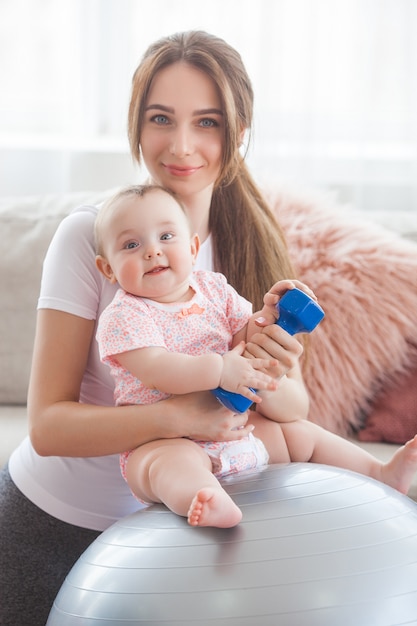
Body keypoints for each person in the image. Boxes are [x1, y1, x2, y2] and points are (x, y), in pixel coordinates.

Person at [0, 29, 415, 624]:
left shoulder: (245, 242)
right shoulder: (94, 240)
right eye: (161, 118)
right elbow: (48, 427)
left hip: (182, 539)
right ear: (137, 126)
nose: (182, 144)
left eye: (209, 122)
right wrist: (180, 415)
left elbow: (289, 408)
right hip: (55, 526)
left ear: (238, 131)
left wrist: (281, 365)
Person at [95, 183, 417, 529]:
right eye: (131, 245)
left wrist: (269, 316)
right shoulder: (124, 315)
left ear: (192, 248)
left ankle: (379, 473)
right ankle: (205, 498)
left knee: (300, 433)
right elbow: (159, 370)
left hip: (240, 429)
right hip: (168, 438)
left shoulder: (215, 290)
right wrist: (220, 369)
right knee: (162, 465)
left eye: (166, 237)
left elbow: (246, 338)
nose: (152, 252)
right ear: (108, 269)